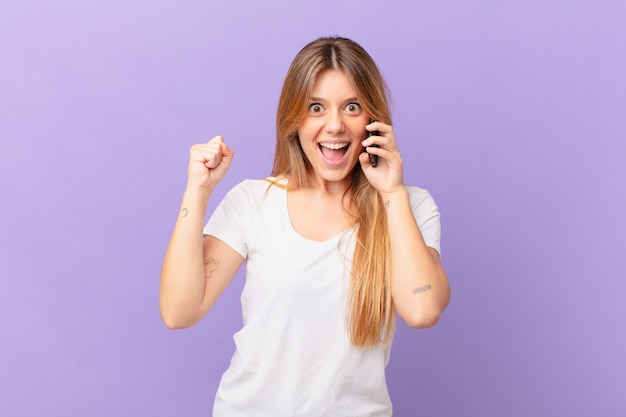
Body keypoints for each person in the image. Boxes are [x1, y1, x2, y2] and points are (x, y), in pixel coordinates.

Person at [160, 36, 450, 416]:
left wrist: (391, 192)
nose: (335, 125)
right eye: (316, 107)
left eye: (352, 107)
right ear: (294, 119)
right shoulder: (254, 202)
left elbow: (422, 309)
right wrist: (197, 193)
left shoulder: (409, 206)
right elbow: (179, 312)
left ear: (373, 119)